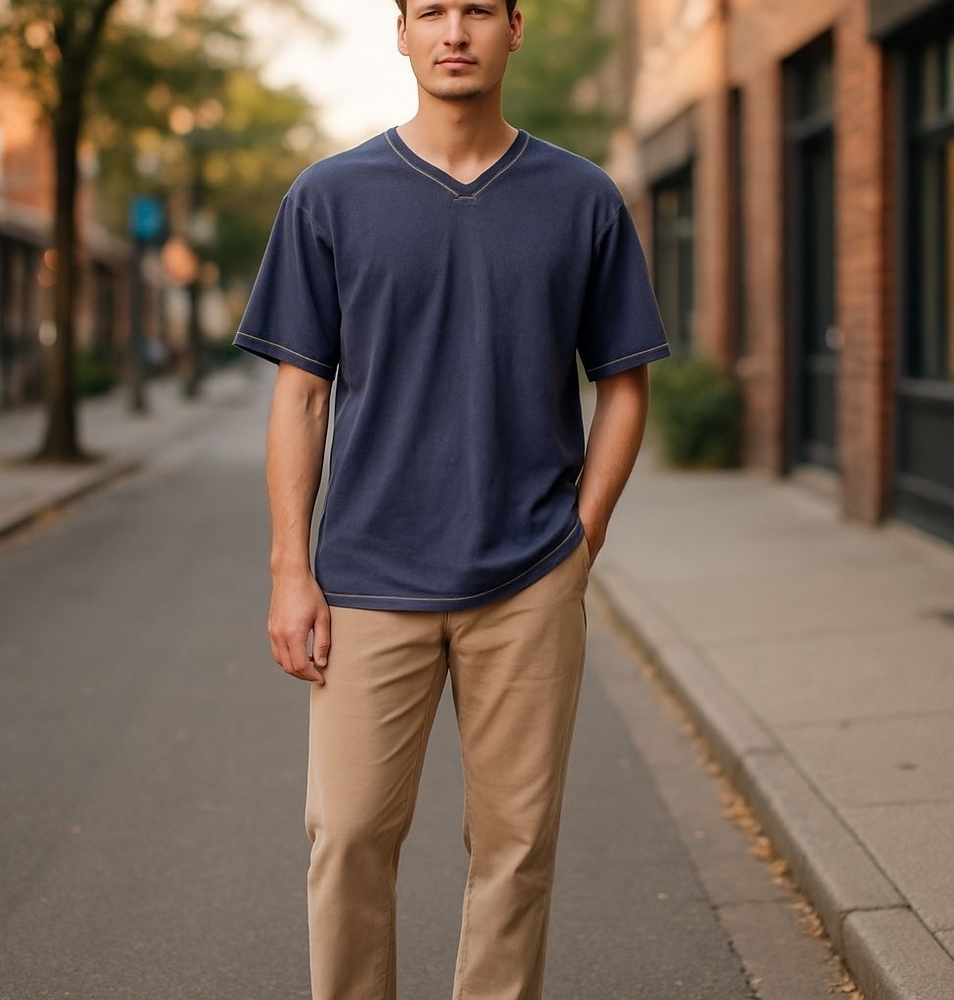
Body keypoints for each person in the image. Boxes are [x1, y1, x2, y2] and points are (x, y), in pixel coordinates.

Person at [234, 1, 670, 997]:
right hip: (367, 576)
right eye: (430, 10)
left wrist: (582, 537)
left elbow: (624, 383)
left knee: (516, 845)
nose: (454, 31)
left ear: (515, 28)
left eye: (477, 9)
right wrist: (291, 570)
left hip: (528, 574)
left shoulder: (582, 197)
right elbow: (301, 396)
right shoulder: (330, 196)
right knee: (347, 834)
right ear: (401, 34)